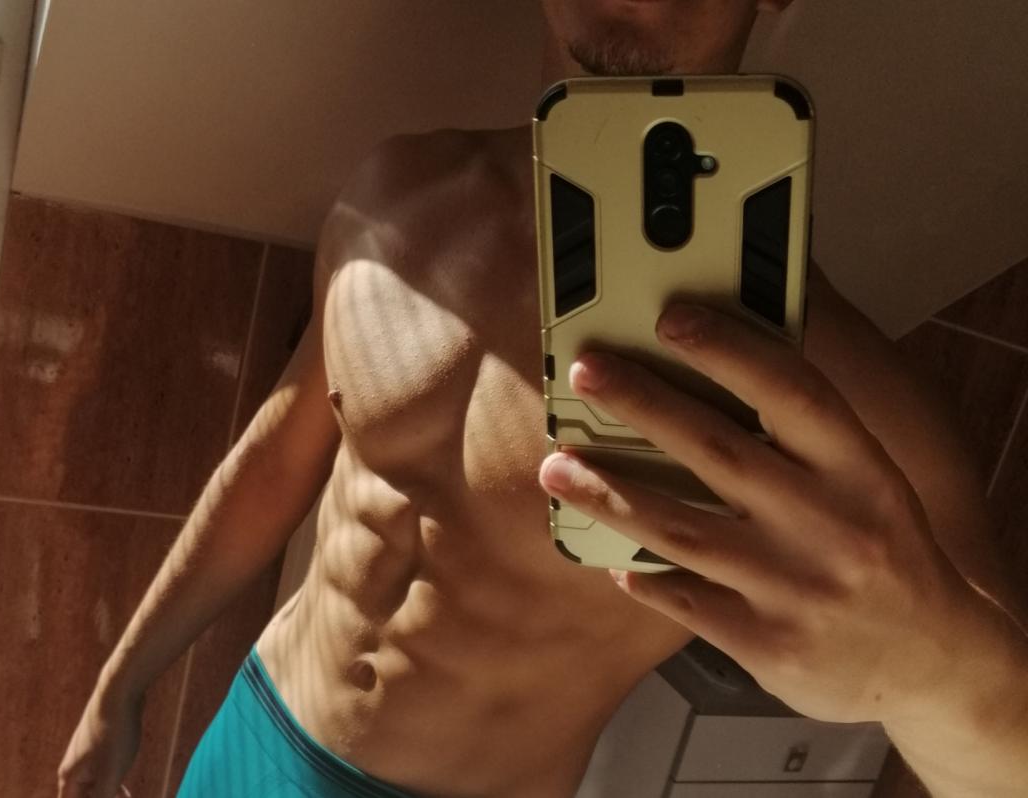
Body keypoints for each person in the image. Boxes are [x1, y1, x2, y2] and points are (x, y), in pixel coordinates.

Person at [58, 1, 1028, 796]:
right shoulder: (396, 197)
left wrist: (935, 678)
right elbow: (275, 462)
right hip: (256, 730)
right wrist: (120, 685)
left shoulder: (830, 388)